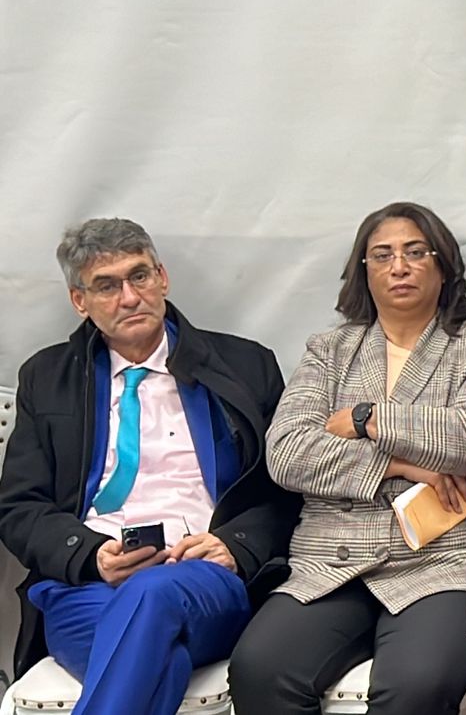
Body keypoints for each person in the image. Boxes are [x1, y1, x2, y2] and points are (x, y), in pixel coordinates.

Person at [0, 218, 298, 714]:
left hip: (202, 576)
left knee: (153, 595)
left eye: (139, 276)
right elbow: (19, 507)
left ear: (162, 277)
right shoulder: (47, 377)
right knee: (160, 658)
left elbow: (286, 490)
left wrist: (235, 544)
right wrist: (91, 555)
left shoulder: (245, 366)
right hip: (86, 587)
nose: (130, 297)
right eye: (106, 286)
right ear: (79, 301)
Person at [229, 202, 466, 714]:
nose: (399, 266)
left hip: (442, 563)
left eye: (416, 252)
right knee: (259, 669)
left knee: (414, 686)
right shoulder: (329, 350)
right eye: (382, 255)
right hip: (331, 561)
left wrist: (365, 418)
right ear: (365, 271)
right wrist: (398, 465)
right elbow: (287, 453)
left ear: (443, 266)